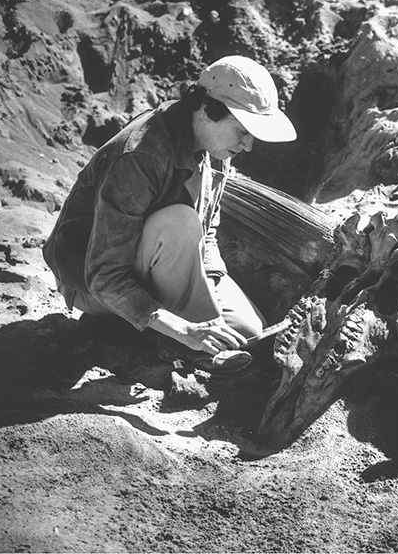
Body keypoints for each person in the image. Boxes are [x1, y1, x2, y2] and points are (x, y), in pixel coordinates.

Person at [43, 55, 297, 374]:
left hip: (151, 269)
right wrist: (186, 329)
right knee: (179, 222)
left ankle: (151, 330)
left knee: (246, 332)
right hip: (89, 283)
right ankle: (145, 329)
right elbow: (104, 274)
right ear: (207, 110)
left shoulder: (217, 151)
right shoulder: (142, 155)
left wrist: (209, 283)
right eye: (243, 131)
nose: (247, 147)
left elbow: (208, 234)